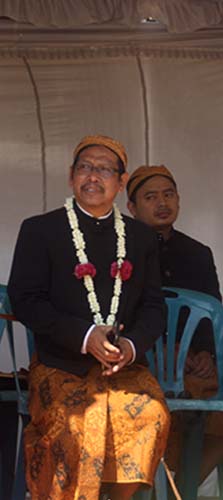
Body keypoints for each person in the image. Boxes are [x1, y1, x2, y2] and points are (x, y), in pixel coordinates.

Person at [7, 135, 170, 500]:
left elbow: (154, 306)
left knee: (151, 414)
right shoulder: (40, 230)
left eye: (104, 169)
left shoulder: (140, 237)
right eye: (85, 167)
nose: (93, 176)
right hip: (60, 363)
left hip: (124, 366)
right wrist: (85, 337)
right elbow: (26, 300)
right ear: (70, 177)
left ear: (122, 180)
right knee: (77, 424)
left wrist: (129, 346)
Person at [126, 164, 223, 482]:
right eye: (151, 197)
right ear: (132, 207)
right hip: (140, 363)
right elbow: (120, 313)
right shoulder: (122, 250)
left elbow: (213, 315)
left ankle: (183, 484)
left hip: (192, 365)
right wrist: (161, 349)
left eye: (168, 194)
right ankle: (153, 485)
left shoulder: (198, 253)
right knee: (169, 400)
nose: (162, 203)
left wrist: (206, 354)